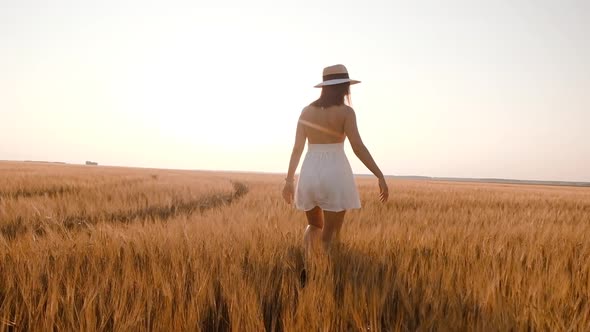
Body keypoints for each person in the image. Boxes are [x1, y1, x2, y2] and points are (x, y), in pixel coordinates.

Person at [282, 64, 389, 258]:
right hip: (335, 172)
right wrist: (379, 175)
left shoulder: (306, 111)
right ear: (344, 87)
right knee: (331, 236)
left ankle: (308, 267)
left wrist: (289, 181)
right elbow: (358, 147)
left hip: (309, 172)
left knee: (314, 225)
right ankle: (329, 275)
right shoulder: (346, 112)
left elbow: (297, 149)